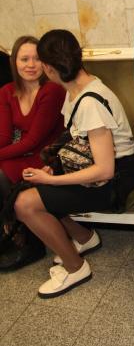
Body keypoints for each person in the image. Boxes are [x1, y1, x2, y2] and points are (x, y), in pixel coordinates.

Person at [12, 30, 134, 298]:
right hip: (100, 170)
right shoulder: (76, 90)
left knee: (24, 204)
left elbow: (105, 170)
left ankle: (75, 267)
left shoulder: (90, 101)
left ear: (48, 68)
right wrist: (53, 169)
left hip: (114, 182)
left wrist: (51, 180)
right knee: (33, 188)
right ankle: (85, 238)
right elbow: (79, 142)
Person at [0, 36, 65, 269]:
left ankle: (31, 244)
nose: (30, 65)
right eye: (24, 59)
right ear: (14, 62)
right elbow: (4, 137)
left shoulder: (52, 90)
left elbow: (33, 141)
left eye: (37, 59)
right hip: (21, 153)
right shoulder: (7, 91)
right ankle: (12, 236)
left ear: (45, 62)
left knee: (2, 175)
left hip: (48, 156)